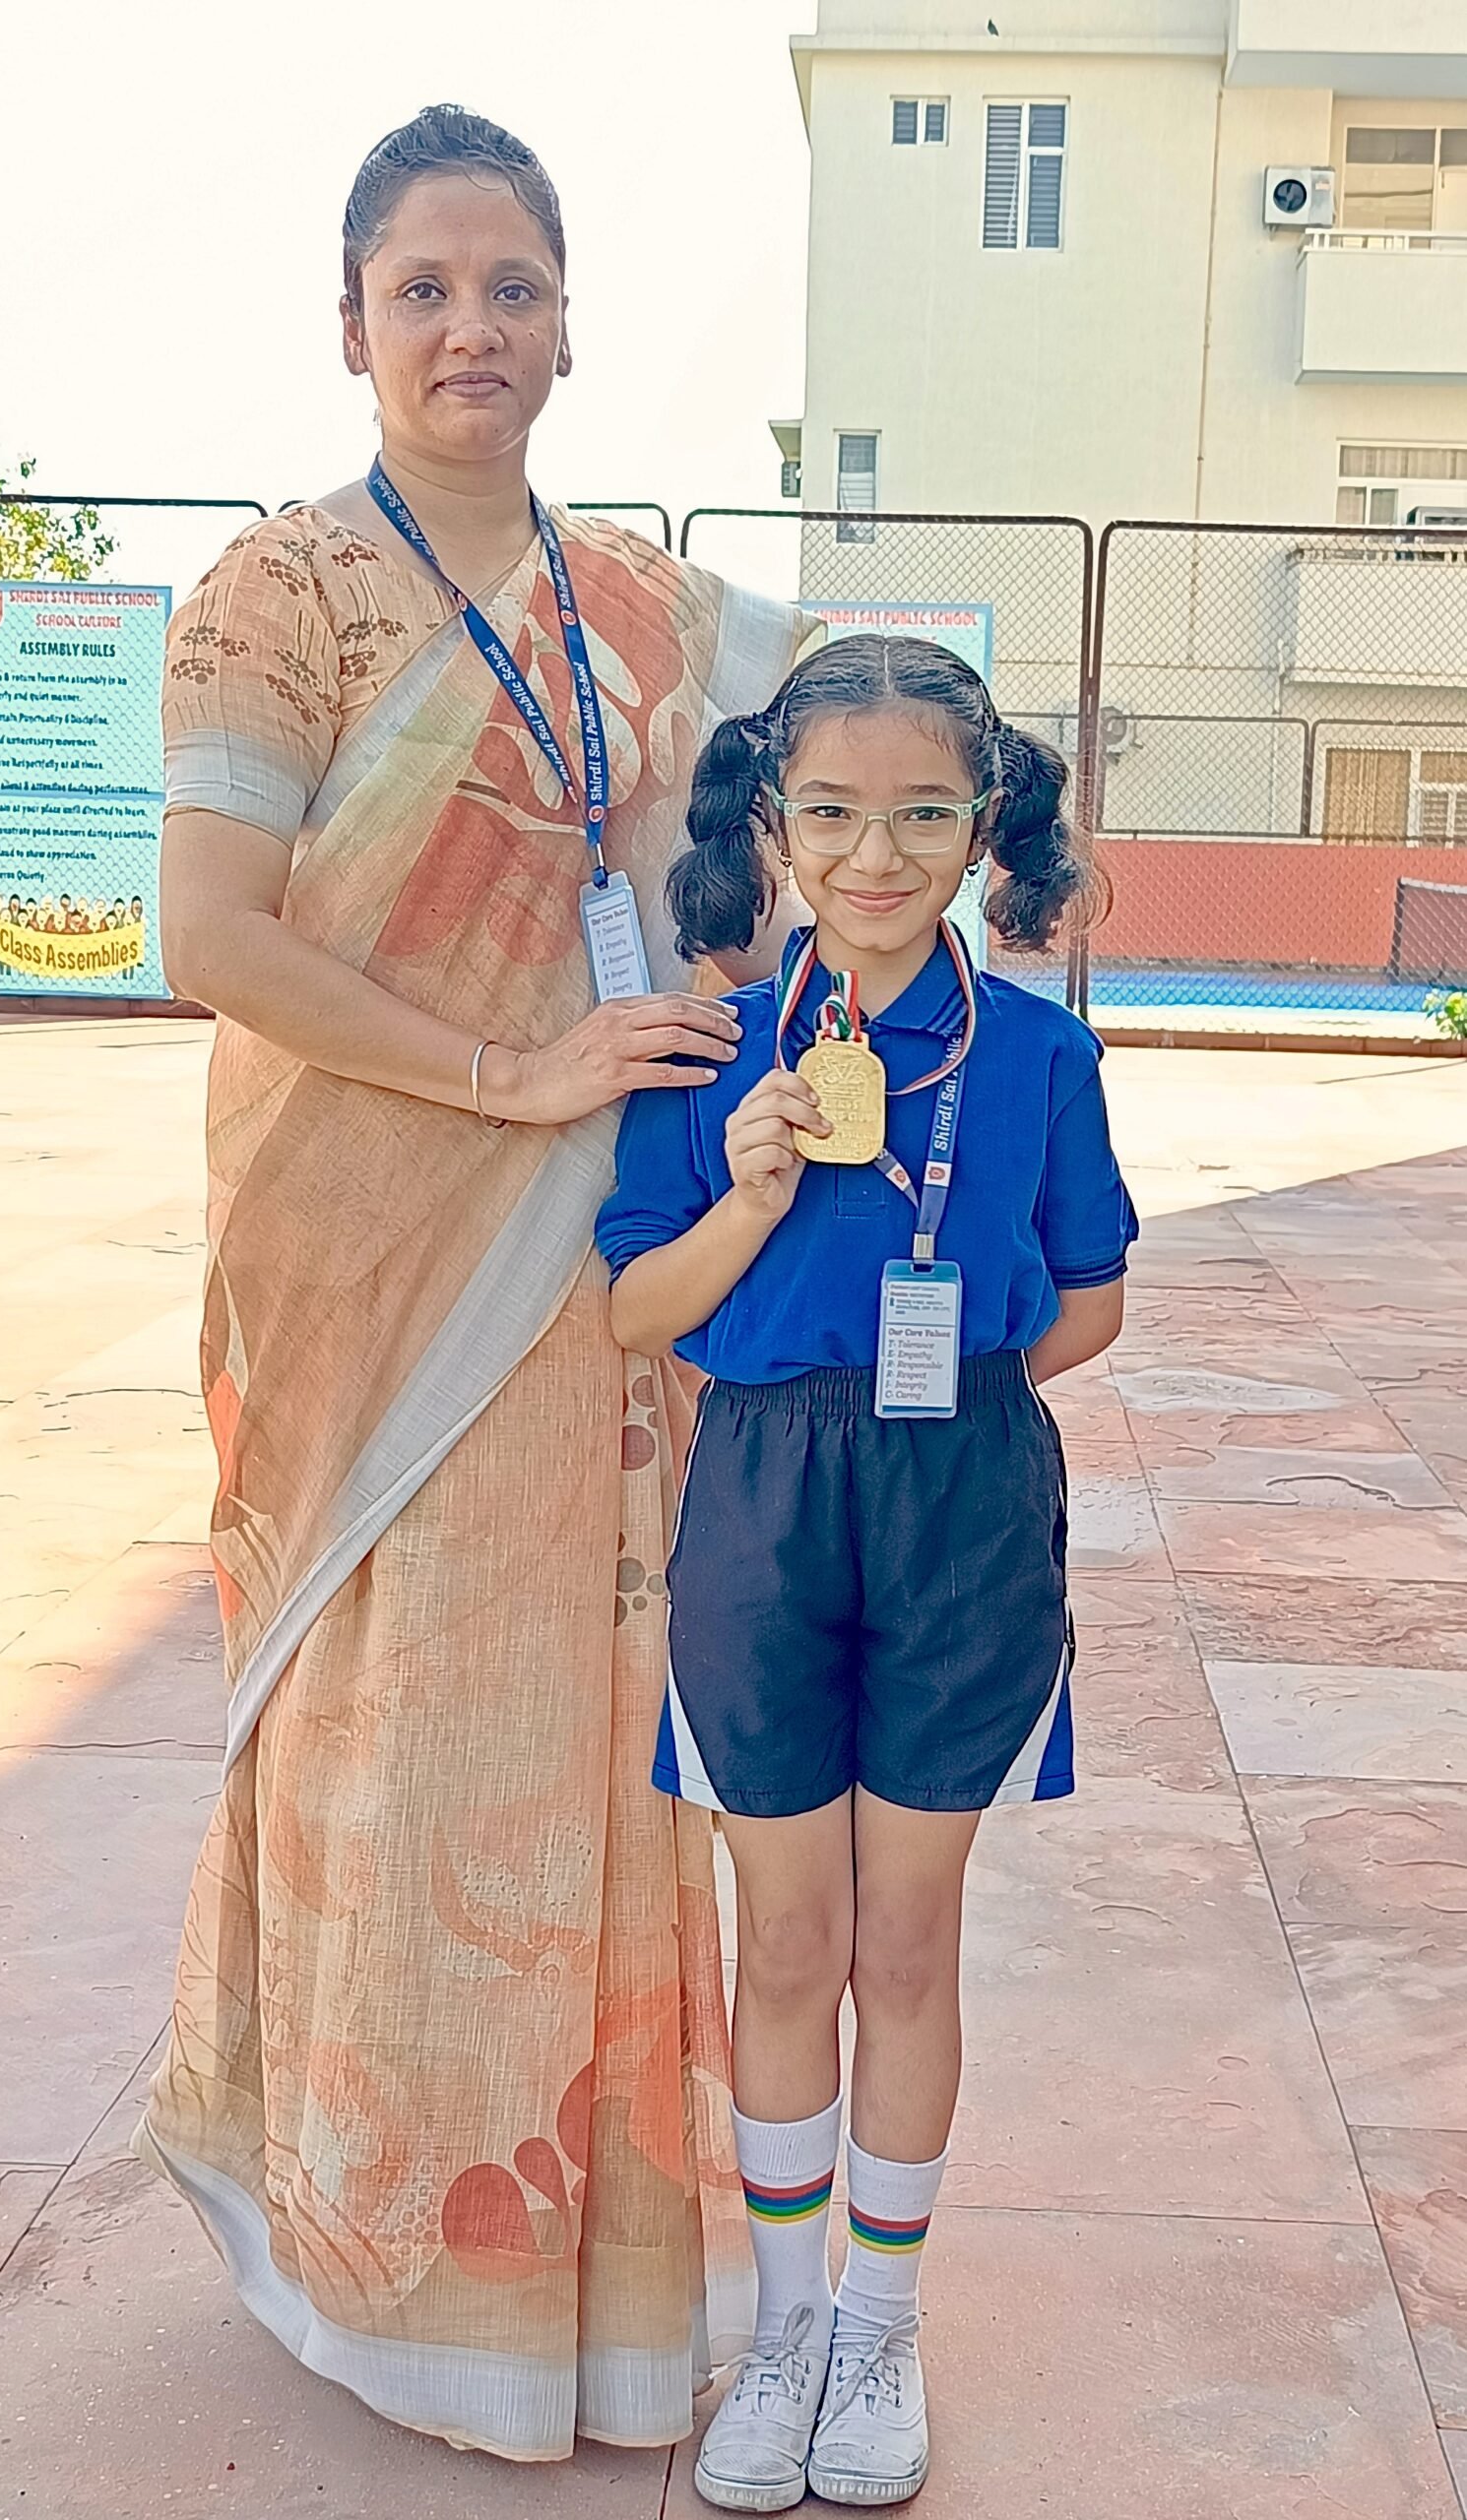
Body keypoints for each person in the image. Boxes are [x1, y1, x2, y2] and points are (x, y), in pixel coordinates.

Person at [135, 102, 809, 2464]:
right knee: (402, 1731)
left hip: (609, 1277)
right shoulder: (277, 597)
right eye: (421, 287)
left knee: (599, 1728)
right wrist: (509, 1073)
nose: (469, 327)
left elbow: (835, 794)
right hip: (375, 1266)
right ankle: (390, 2271)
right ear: (351, 325)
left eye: (511, 285)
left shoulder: (644, 610)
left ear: (567, 325)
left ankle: (608, 2294)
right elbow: (209, 932)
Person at [597, 637, 1138, 2510]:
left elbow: (1089, 1303)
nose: (874, 854)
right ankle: (786, 2328)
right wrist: (753, 1195)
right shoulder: (707, 1055)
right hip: (758, 1499)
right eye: (829, 812)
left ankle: (881, 2321)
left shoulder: (1041, 1057)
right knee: (786, 1939)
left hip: (961, 1502)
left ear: (982, 829)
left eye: (921, 814)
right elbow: (637, 1311)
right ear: (772, 823)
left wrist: (943, 1386)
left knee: (903, 1938)